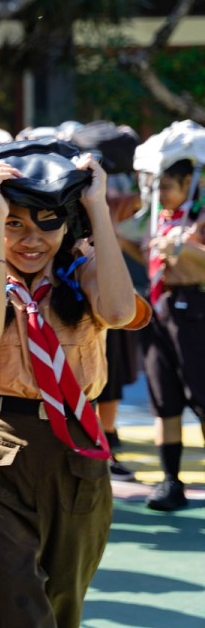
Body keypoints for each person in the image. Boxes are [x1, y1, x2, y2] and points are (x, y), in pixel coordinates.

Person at [0, 152, 149, 627]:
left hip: (77, 453)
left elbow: (119, 313)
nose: (31, 240)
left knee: (61, 605)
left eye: (47, 224)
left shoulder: (83, 269)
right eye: (16, 225)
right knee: (12, 598)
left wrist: (97, 206)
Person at [121, 159, 205, 510]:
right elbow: (126, 236)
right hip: (160, 307)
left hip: (196, 306)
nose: (161, 194)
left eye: (167, 186)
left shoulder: (198, 218)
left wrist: (185, 249)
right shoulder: (157, 217)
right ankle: (171, 482)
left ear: (189, 182)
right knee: (163, 398)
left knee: (202, 398)